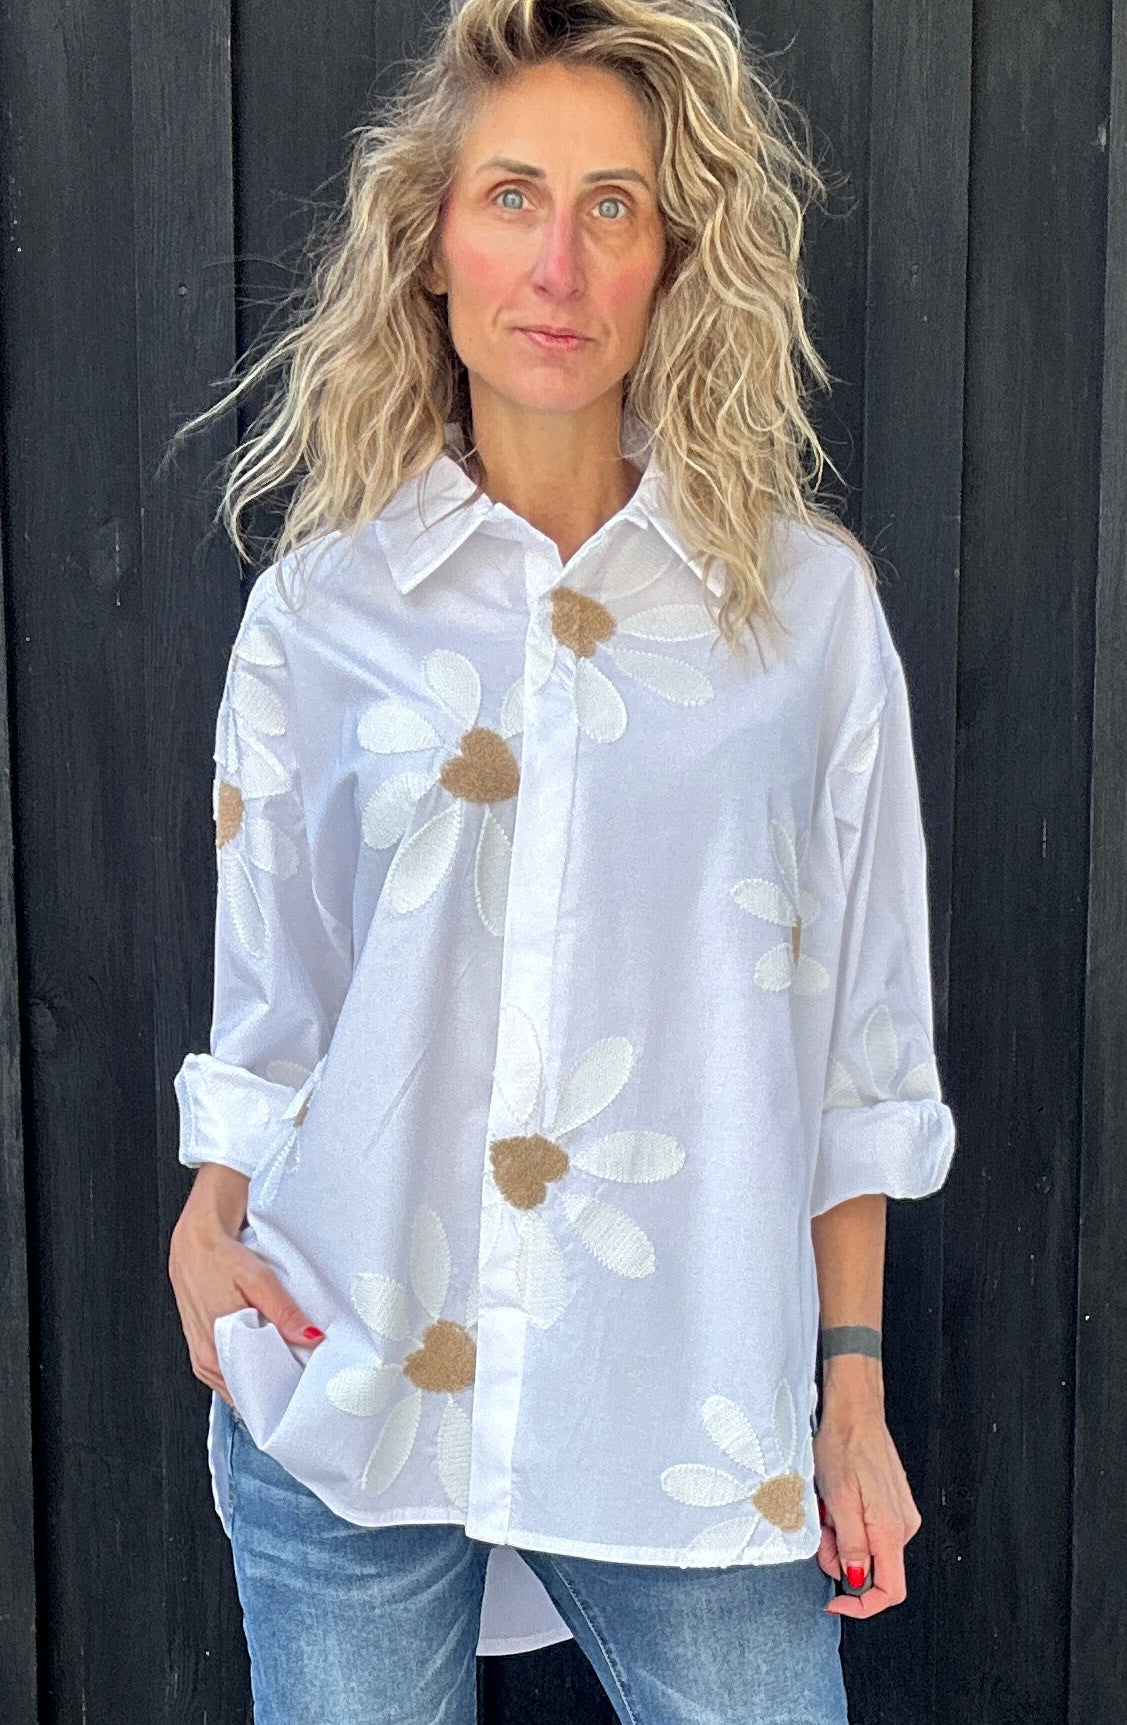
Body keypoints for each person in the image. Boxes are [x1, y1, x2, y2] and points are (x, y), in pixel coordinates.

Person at [166, 2, 956, 1720]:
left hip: (688, 1401)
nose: (560, 263)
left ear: (673, 262)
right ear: (432, 244)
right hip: (346, 1375)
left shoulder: (805, 616)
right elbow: (277, 1002)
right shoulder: (320, 614)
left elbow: (860, 1042)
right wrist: (209, 1212)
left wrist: (853, 1382)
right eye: (513, 196)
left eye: (615, 207)